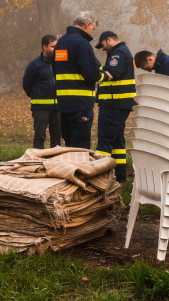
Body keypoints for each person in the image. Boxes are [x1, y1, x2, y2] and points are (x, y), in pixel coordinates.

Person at [52, 11, 103, 149]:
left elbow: (56, 71)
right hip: (81, 105)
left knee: (69, 147)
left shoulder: (60, 43)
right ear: (87, 24)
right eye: (92, 28)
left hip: (64, 105)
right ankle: (79, 171)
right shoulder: (82, 44)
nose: (92, 32)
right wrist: (104, 76)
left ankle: (70, 171)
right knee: (80, 148)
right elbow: (91, 73)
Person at [94, 31, 135, 183]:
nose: (103, 48)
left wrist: (96, 69)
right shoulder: (123, 52)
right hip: (118, 104)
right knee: (117, 142)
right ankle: (120, 177)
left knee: (104, 141)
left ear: (109, 40)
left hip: (113, 104)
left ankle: (99, 178)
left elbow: (113, 72)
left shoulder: (119, 53)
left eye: (103, 45)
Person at [22, 34, 61, 149]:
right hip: (40, 108)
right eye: (53, 46)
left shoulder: (59, 63)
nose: (55, 49)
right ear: (44, 46)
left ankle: (55, 164)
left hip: (58, 108)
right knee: (40, 137)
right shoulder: (35, 65)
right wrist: (36, 95)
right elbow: (27, 84)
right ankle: (37, 163)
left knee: (57, 139)